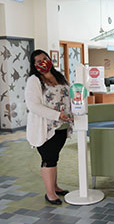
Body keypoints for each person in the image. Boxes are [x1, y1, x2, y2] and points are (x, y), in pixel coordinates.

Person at [25, 49, 73, 205]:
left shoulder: (59, 76)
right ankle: (50, 193)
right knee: (48, 159)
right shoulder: (34, 80)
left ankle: (55, 187)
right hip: (45, 127)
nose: (43, 62)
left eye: (45, 58)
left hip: (62, 126)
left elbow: (69, 95)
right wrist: (57, 115)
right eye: (38, 61)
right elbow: (33, 106)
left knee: (54, 158)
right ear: (34, 65)